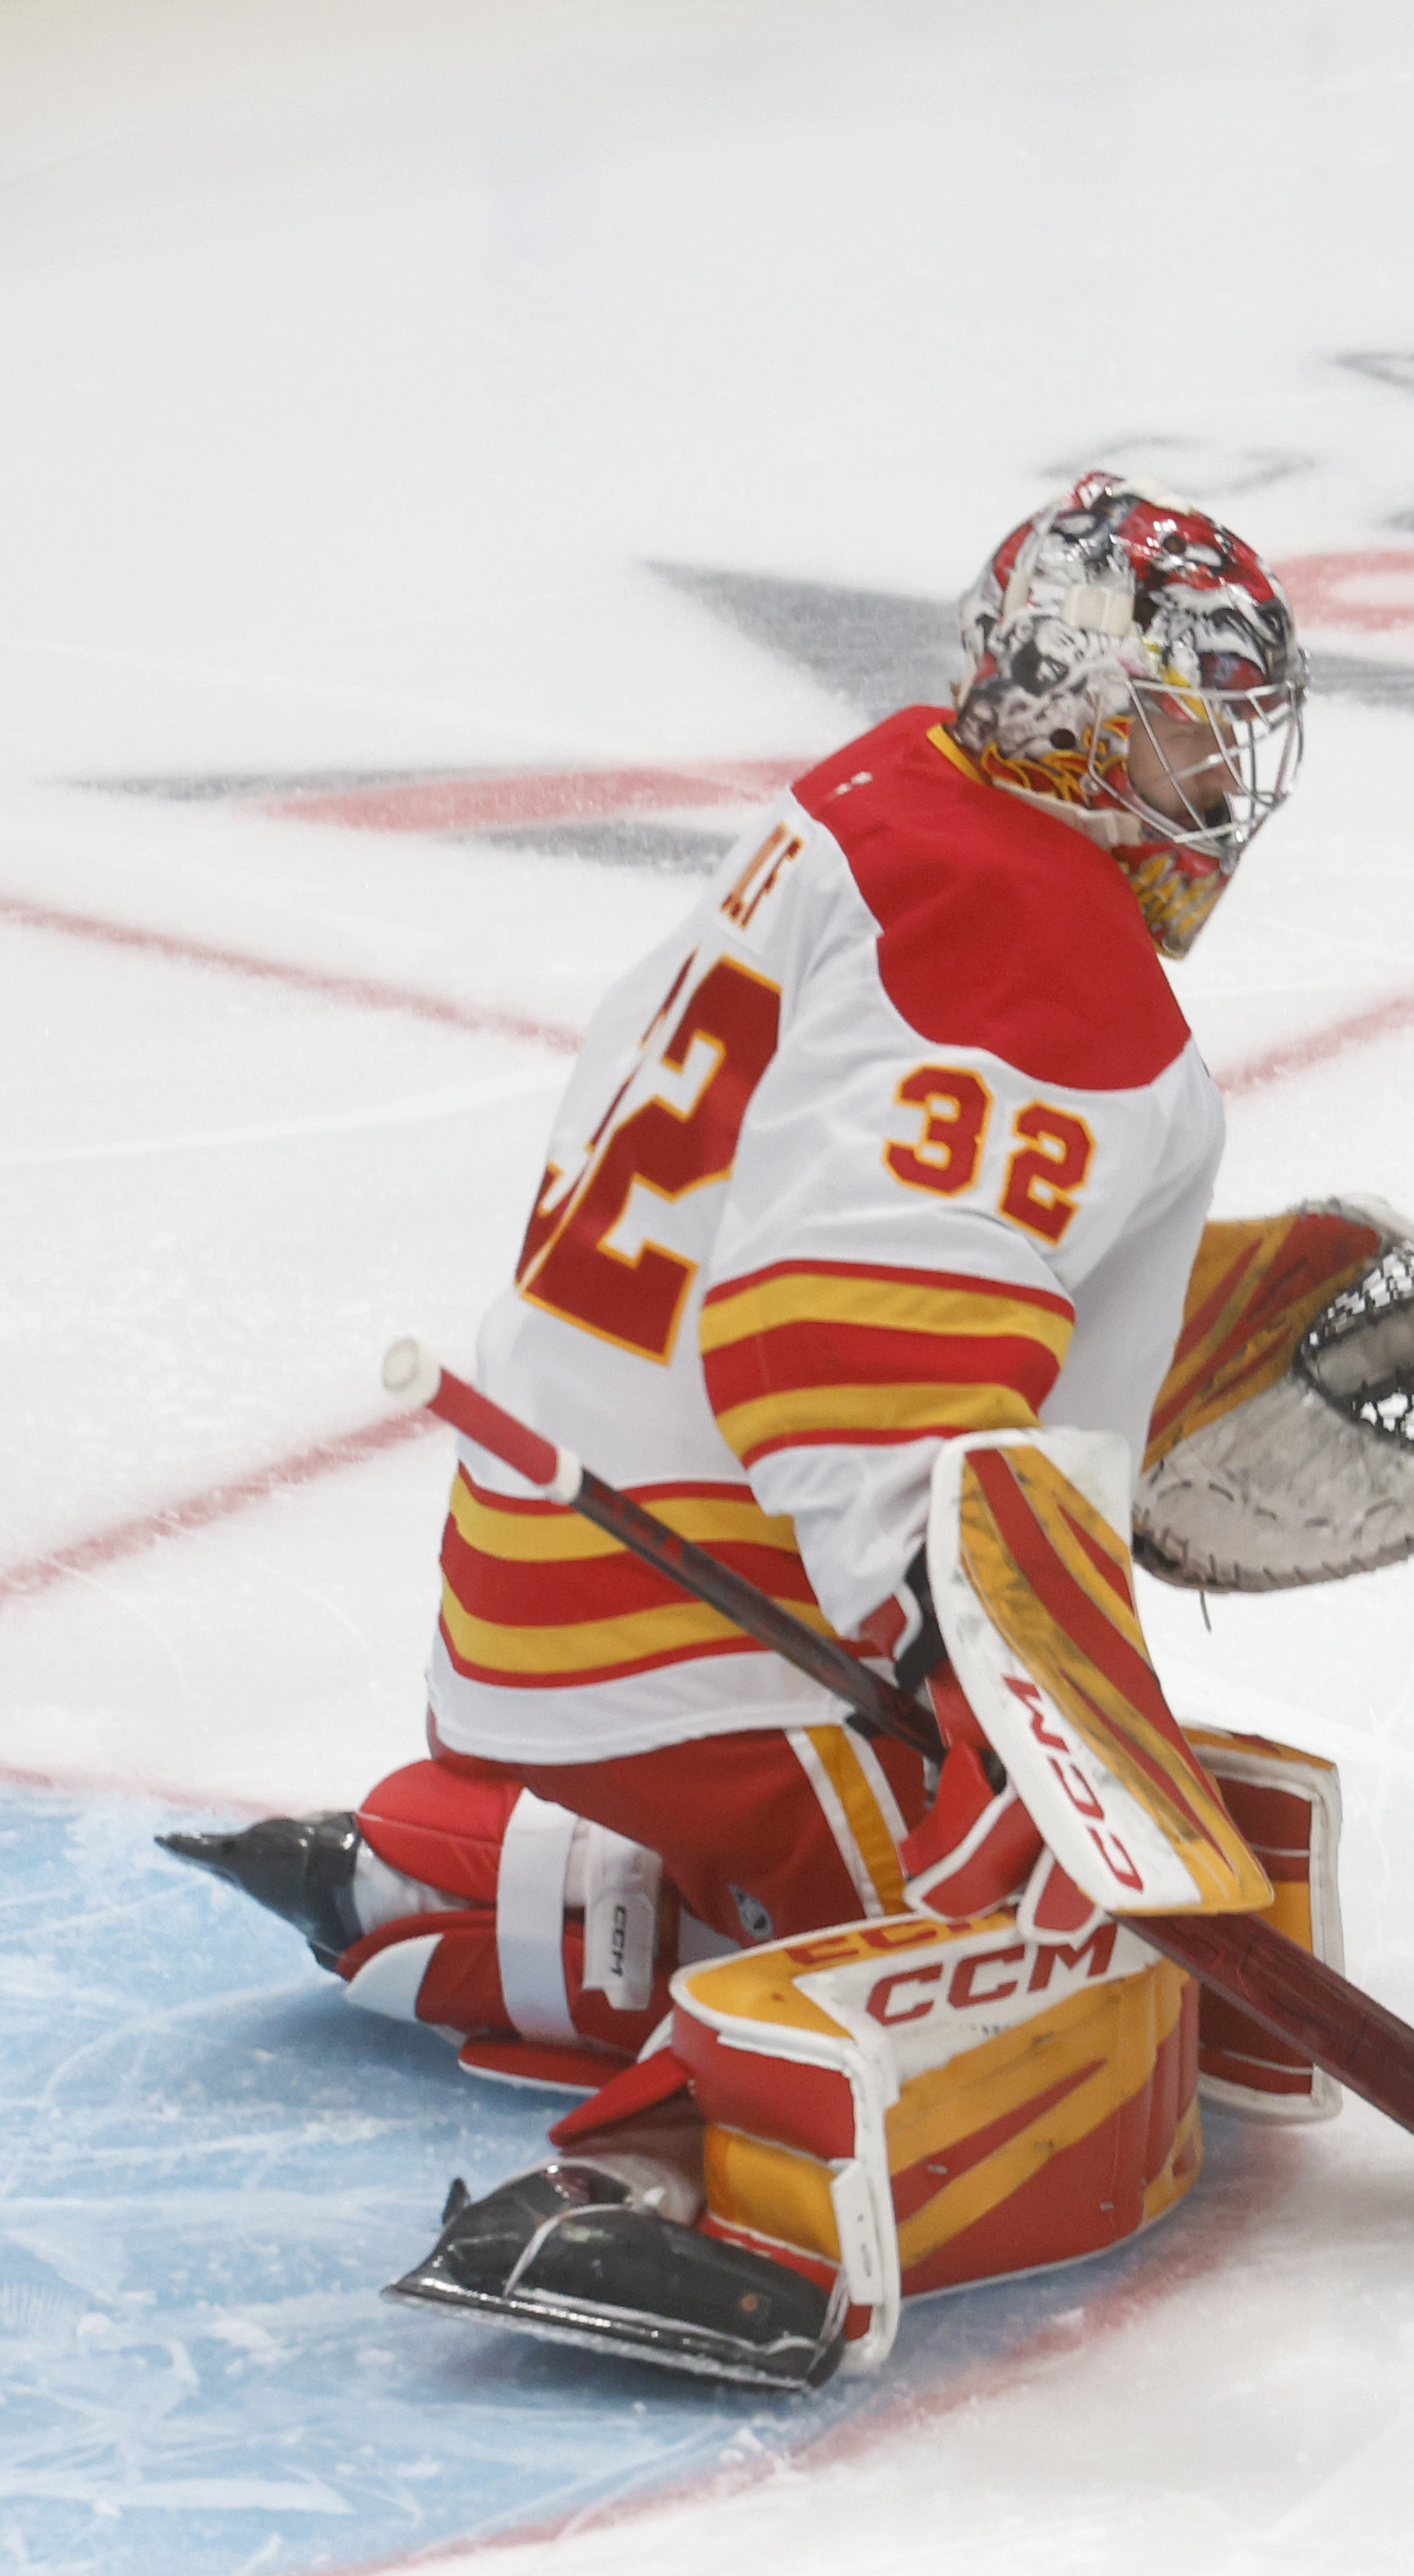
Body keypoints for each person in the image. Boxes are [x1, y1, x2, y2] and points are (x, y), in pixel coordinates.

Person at [162, 475, 1339, 2380]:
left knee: (1070, 1828)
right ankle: (691, 2185)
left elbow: (843, 1235)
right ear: (1068, 695)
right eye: (1179, 720)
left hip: (575, 1562)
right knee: (1078, 1930)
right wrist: (981, 1652)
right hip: (713, 1611)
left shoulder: (908, 798)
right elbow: (842, 1338)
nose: (1212, 783)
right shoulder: (1032, 935)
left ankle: (461, 1880)